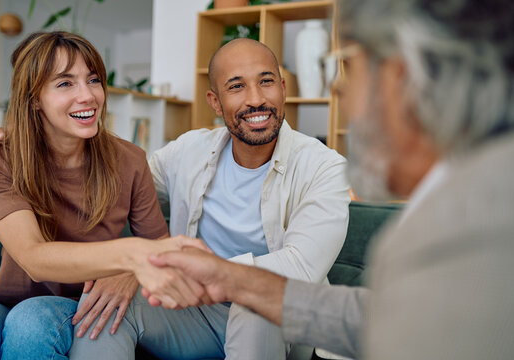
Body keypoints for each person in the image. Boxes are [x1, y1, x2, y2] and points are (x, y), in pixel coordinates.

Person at [142, 0, 514, 359]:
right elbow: (386, 318)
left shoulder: (480, 225)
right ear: (215, 100)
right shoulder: (460, 202)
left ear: (402, 77)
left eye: (350, 69)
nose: (341, 92)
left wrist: (228, 277)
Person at [69, 38, 350, 359]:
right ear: (215, 103)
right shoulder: (188, 151)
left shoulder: (326, 167)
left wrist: (198, 269)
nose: (256, 99)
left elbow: (301, 267)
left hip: (276, 320)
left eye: (266, 82)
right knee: (106, 307)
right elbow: (117, 188)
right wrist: (35, 144)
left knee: (254, 297)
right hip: (195, 311)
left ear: (283, 88)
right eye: (236, 87)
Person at [0, 31, 209, 360]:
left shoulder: (129, 159)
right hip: (3, 299)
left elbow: (158, 251)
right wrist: (131, 258)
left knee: (32, 323)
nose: (88, 96)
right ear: (34, 99)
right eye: (65, 83)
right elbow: (33, 257)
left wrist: (130, 272)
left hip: (83, 300)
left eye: (94, 80)